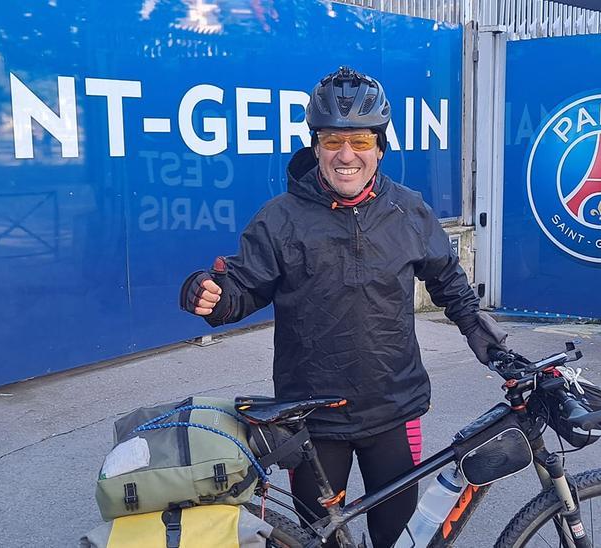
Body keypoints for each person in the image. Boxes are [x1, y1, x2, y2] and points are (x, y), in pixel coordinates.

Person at [179, 66, 508, 547]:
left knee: (397, 538)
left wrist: (488, 342)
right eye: (333, 141)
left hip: (393, 411)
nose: (346, 155)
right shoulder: (280, 218)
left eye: (359, 141)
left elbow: (449, 283)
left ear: (379, 146)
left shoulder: (409, 210)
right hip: (313, 417)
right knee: (318, 540)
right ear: (316, 146)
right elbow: (242, 288)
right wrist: (210, 295)